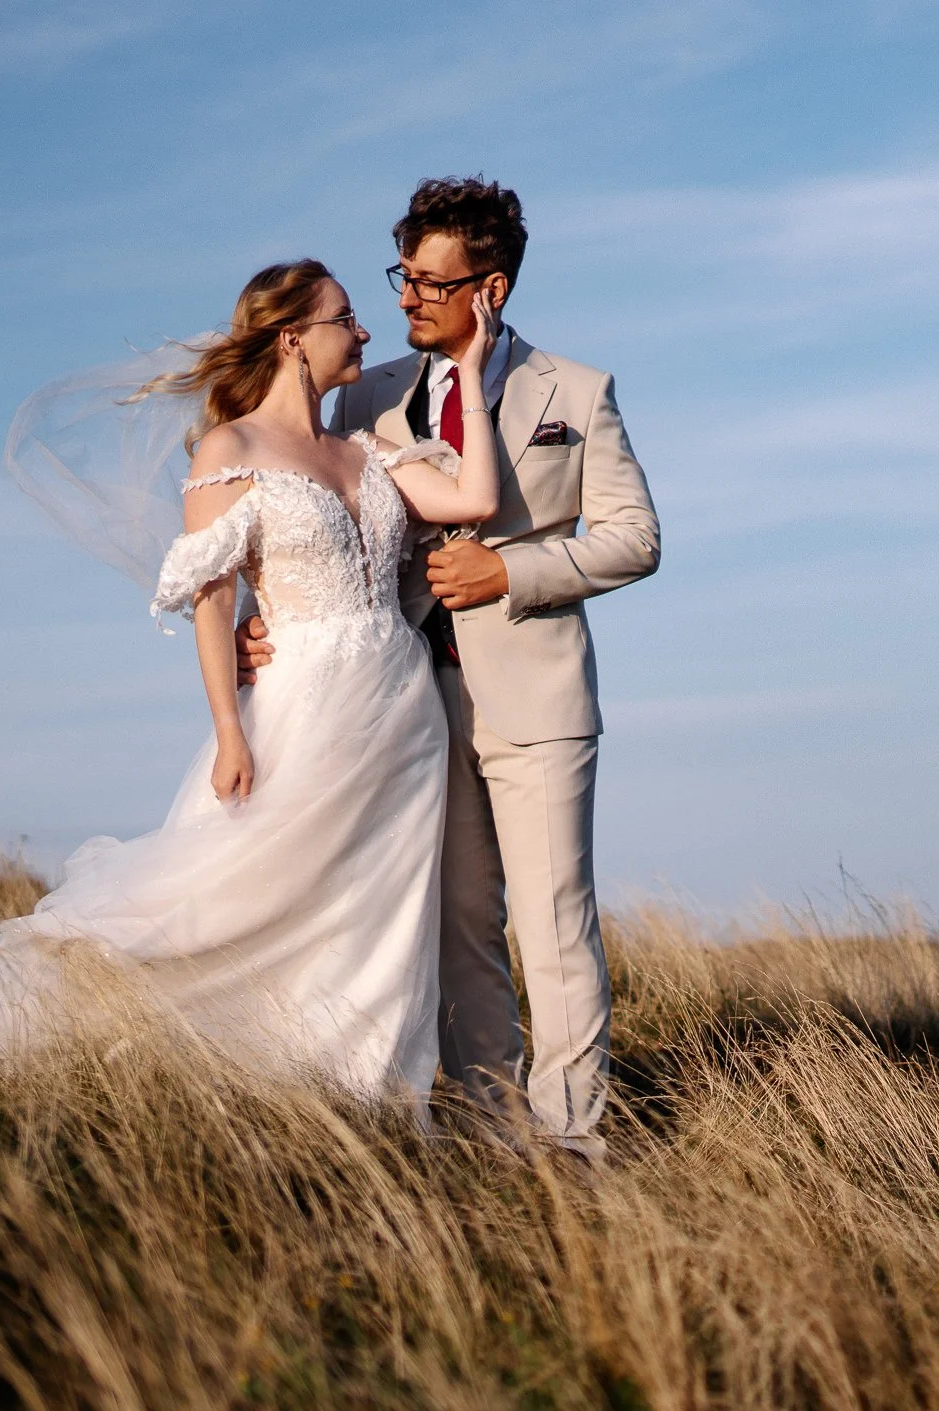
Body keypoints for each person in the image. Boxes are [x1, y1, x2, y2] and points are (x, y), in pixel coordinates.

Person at [0, 262, 502, 1111]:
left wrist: (471, 367)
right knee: (249, 888)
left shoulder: (370, 451)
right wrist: (229, 732)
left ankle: (363, 1097)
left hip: (403, 711)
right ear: (293, 338)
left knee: (377, 911)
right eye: (345, 318)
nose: (363, 332)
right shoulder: (229, 450)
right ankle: (134, 1034)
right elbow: (212, 603)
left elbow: (476, 497)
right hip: (302, 704)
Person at [241, 177, 660, 1165]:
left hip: (537, 695)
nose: (408, 298)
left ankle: (572, 1140)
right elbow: (299, 506)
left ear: (491, 288)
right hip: (405, 701)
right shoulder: (368, 393)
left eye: (432, 282)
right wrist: (271, 623)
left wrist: (510, 570)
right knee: (458, 920)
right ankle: (492, 1128)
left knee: (554, 919)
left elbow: (636, 537)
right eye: (402, 277)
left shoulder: (575, 392)